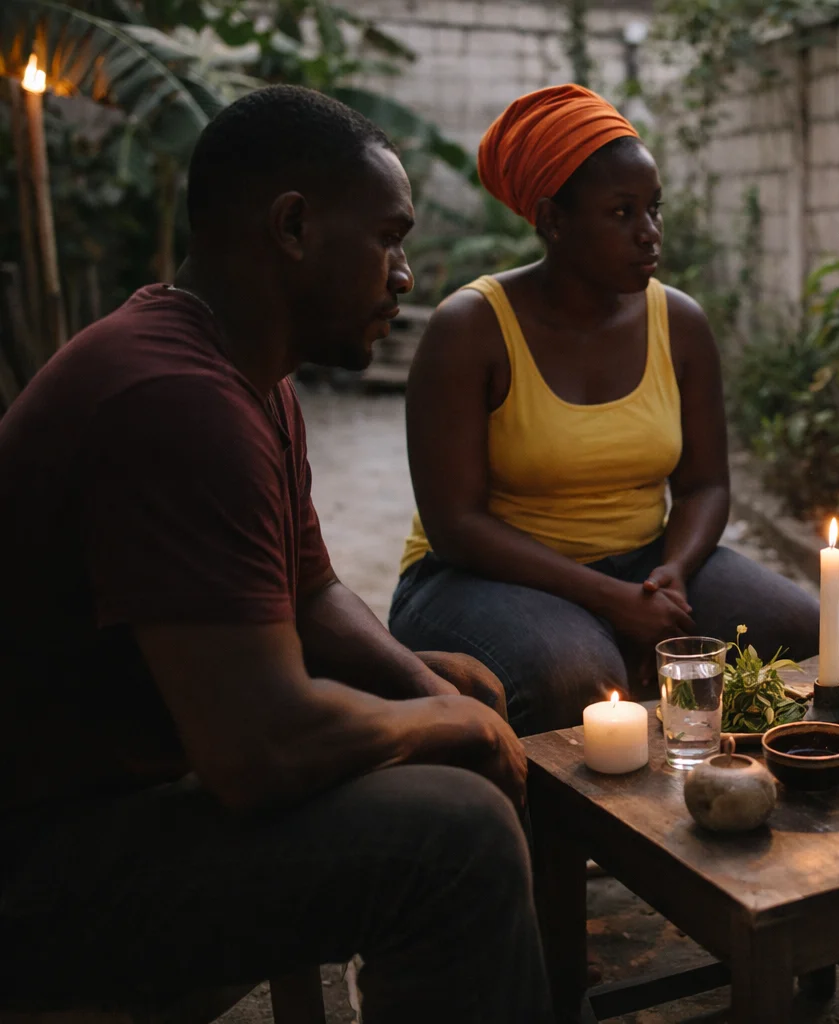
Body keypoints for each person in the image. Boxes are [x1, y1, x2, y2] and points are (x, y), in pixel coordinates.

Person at [0, 86, 552, 1023]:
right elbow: (259, 750)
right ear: (293, 227)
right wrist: (448, 725)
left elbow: (313, 593)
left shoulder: (249, 378)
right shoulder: (174, 401)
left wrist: (434, 689)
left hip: (113, 796)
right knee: (457, 838)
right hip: (42, 860)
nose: (406, 276)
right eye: (389, 239)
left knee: (465, 692)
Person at [389, 84, 820, 736]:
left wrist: (670, 572)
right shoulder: (471, 328)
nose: (650, 234)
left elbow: (705, 485)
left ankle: (722, 800)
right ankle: (556, 835)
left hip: (643, 563)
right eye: (622, 213)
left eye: (654, 209)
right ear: (552, 220)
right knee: (579, 678)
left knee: (794, 626)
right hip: (474, 576)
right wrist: (611, 600)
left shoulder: (679, 322)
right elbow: (457, 526)